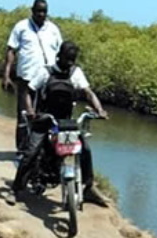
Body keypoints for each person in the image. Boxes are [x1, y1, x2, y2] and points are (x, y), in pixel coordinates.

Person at [11, 41, 108, 206]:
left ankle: (88, 187)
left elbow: (88, 93)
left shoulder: (75, 73)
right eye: (67, 58)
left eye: (72, 59)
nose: (69, 62)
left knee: (85, 149)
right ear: (59, 56)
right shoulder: (46, 72)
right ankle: (16, 189)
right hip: (44, 119)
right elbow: (28, 90)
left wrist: (99, 109)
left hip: (65, 122)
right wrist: (30, 111)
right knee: (31, 152)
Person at [3, 1, 63, 151]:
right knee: (24, 114)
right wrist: (6, 74)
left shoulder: (53, 29)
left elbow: (61, 53)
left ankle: (41, 149)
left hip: (48, 80)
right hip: (26, 77)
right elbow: (11, 50)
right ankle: (22, 150)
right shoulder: (21, 27)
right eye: (38, 11)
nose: (41, 14)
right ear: (32, 11)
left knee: (45, 115)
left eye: (44, 11)